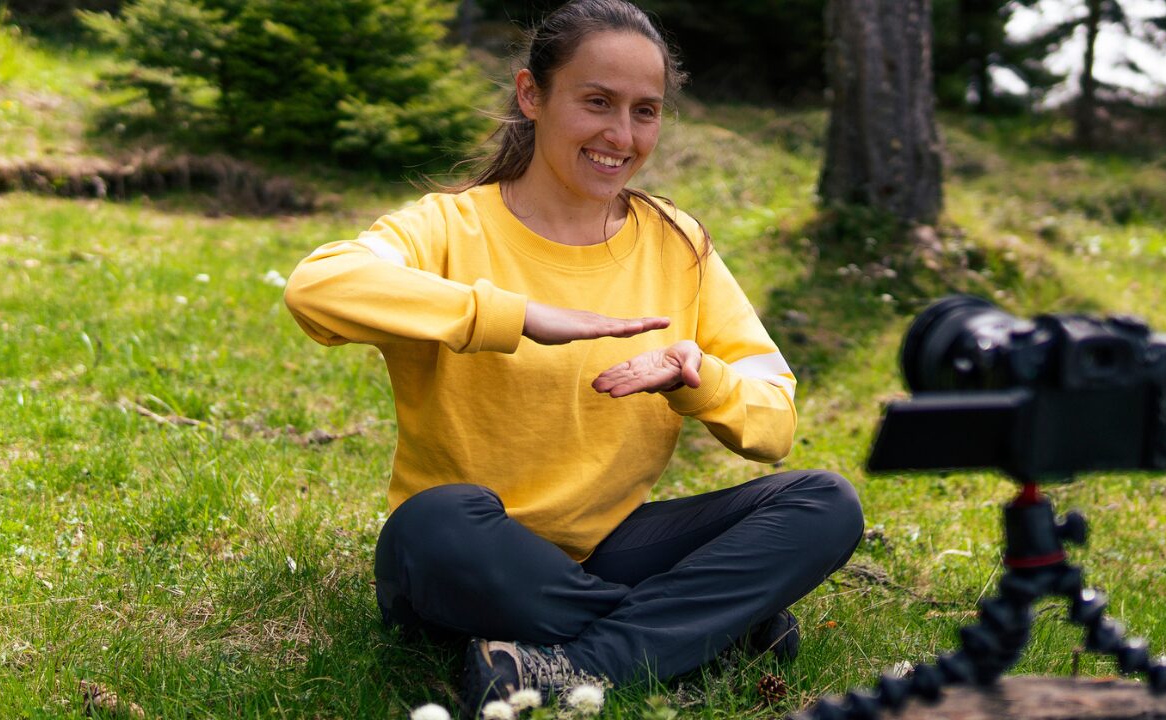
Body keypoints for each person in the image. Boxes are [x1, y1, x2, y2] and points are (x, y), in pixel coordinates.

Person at [283, 0, 863, 713]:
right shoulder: (449, 227)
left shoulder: (676, 242)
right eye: (596, 102)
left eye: (645, 111)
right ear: (532, 95)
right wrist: (515, 315)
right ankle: (710, 634)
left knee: (823, 501)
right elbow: (317, 286)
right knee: (435, 521)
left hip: (606, 543)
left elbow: (772, 423)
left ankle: (576, 664)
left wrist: (696, 375)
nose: (621, 135)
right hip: (467, 554)